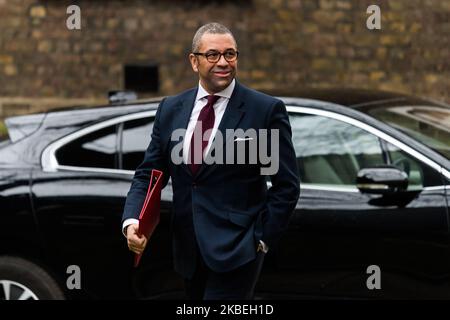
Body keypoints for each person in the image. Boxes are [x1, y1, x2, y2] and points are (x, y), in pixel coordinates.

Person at [122, 22, 300, 300]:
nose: (224, 62)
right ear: (194, 61)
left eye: (230, 54)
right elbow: (149, 173)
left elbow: (286, 185)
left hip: (239, 249)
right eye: (213, 55)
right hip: (188, 250)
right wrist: (133, 220)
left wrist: (262, 239)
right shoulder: (171, 109)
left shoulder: (264, 110)